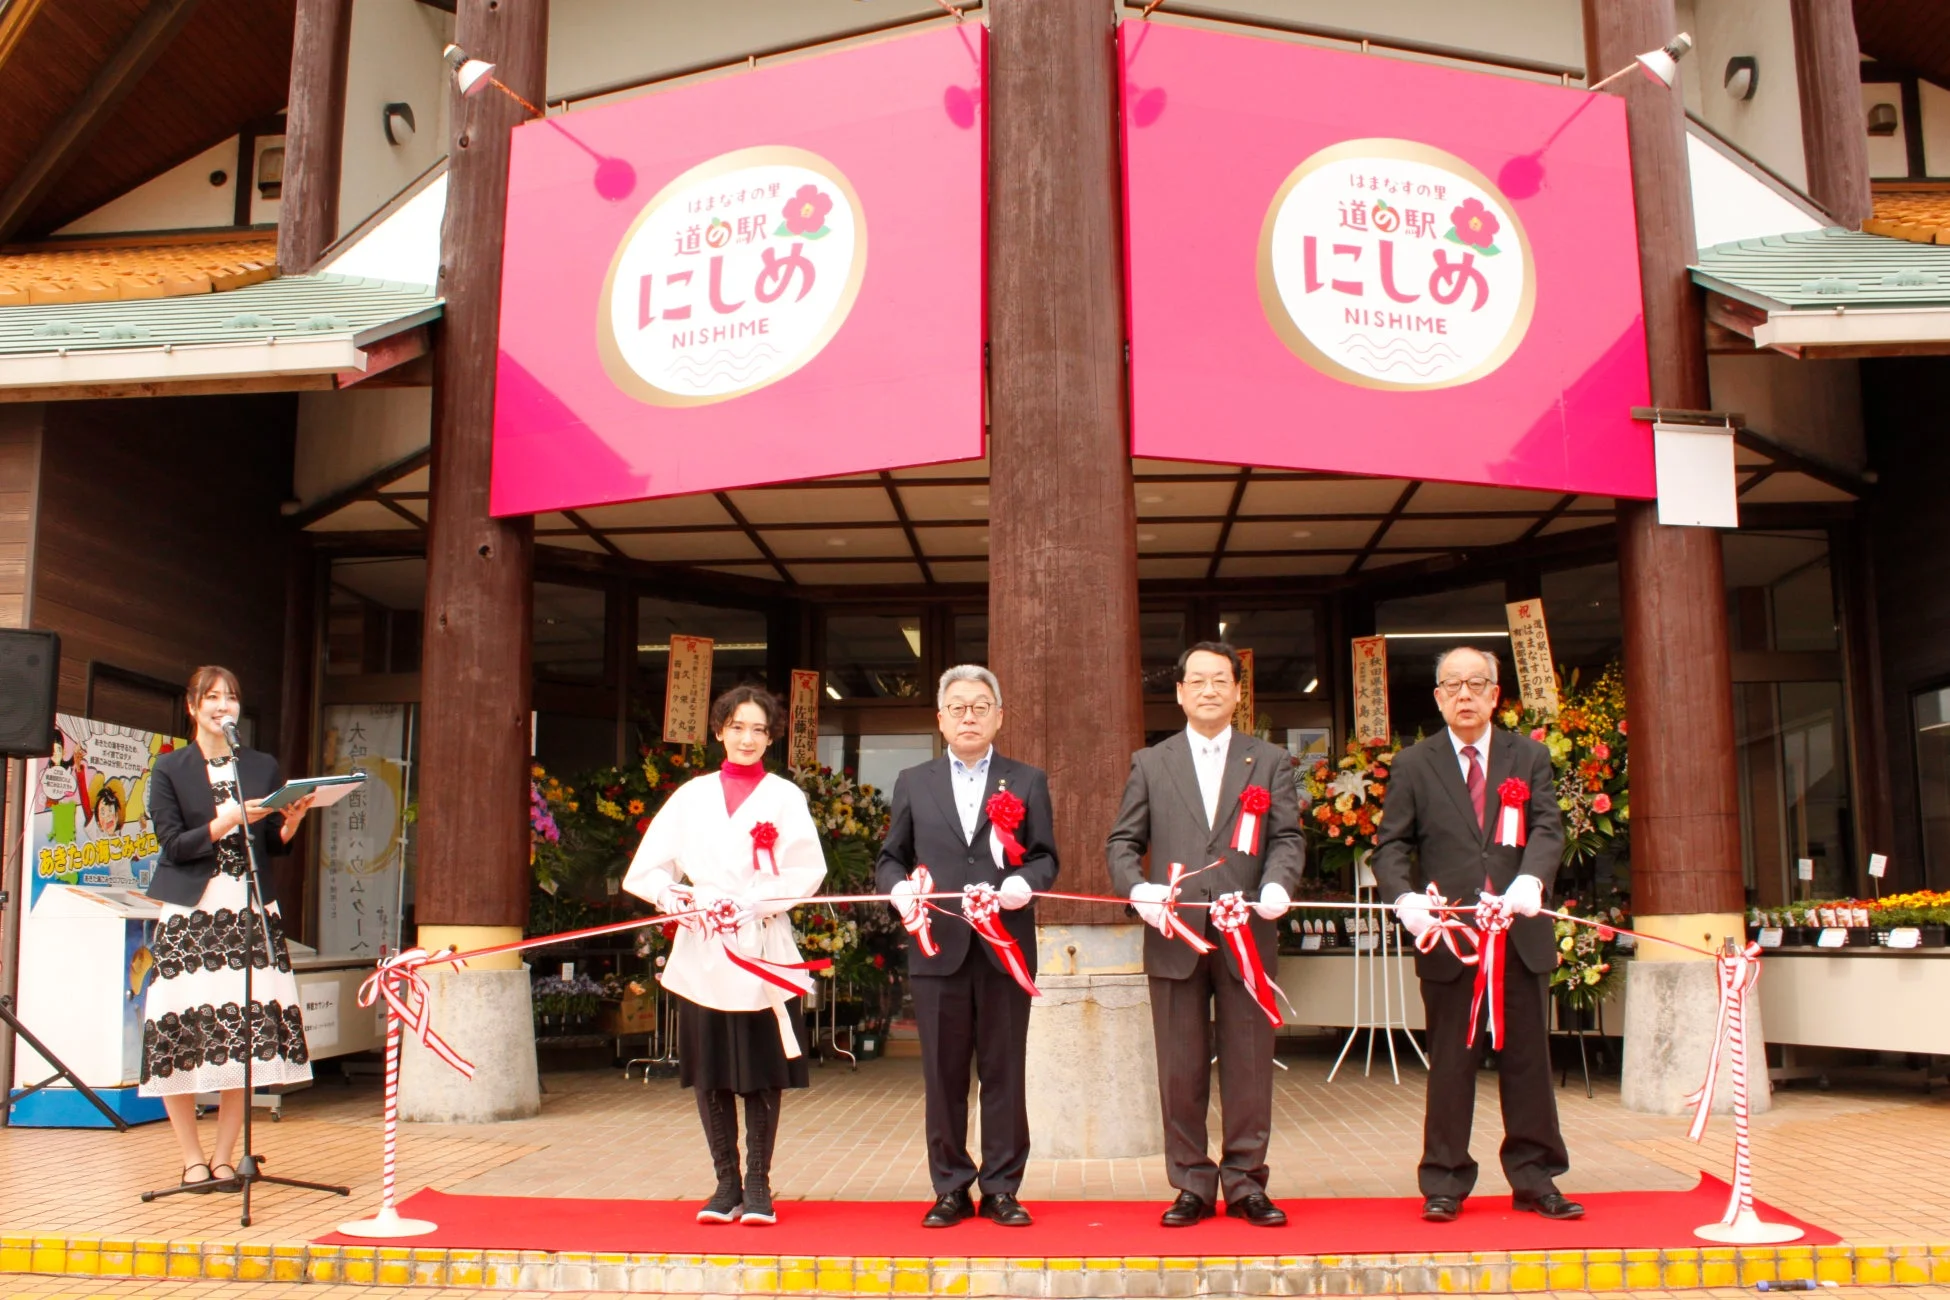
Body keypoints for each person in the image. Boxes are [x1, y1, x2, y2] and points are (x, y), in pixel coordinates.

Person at [1371, 646, 1580, 1223]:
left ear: (1495, 694)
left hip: (1518, 934)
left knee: (1528, 1062)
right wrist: (1405, 900)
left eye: (1476, 684)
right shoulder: (1415, 764)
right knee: (1451, 1061)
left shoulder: (1528, 755)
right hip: (1450, 937)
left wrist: (1532, 881)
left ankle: (1537, 1179)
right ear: (1437, 698)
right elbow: (1391, 847)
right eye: (1452, 685)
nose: (1465, 695)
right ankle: (1444, 1181)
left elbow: (1546, 827)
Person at [1106, 642, 1304, 1228]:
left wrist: (1277, 887)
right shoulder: (1152, 761)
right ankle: (1191, 1181)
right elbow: (1122, 842)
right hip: (1175, 936)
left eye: (1221, 680)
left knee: (1249, 1064)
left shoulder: (1268, 760)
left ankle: (1246, 1183)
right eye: (1198, 680)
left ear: (1239, 692)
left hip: (1248, 934)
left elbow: (1287, 838)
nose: (1209, 690)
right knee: (1180, 1067)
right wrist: (1136, 890)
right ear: (1180, 692)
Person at [623, 685, 827, 1226]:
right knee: (711, 1069)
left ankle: (758, 1183)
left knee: (761, 1070)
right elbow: (646, 871)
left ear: (771, 737)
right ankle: (724, 1184)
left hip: (761, 946)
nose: (747, 738)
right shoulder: (690, 796)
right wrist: (682, 901)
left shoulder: (785, 797)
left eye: (759, 729)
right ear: (719, 731)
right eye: (737, 726)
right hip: (705, 950)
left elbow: (808, 870)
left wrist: (756, 902)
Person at [875, 665, 1058, 1229]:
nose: (969, 715)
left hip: (1005, 949)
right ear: (940, 719)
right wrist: (899, 891)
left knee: (1004, 1072)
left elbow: (1047, 856)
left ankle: (1002, 1187)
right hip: (938, 951)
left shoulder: (1026, 780)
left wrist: (1026, 884)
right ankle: (950, 1186)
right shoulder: (914, 780)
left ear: (999, 715)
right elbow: (889, 858)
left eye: (980, 706)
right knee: (944, 1074)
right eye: (957, 707)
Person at [140, 666, 315, 1194]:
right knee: (182, 1031)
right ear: (192, 708)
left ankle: (223, 1158)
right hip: (193, 914)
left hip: (250, 908)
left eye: (232, 697)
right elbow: (174, 844)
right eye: (213, 697)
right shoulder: (170, 768)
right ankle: (191, 1159)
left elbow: (271, 846)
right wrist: (229, 818)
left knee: (242, 1034)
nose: (224, 705)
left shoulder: (260, 766)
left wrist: (292, 819)